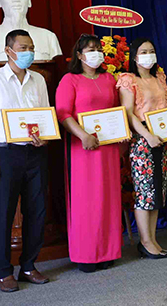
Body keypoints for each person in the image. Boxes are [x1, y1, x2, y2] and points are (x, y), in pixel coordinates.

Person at [0, 30, 51, 292]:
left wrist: (45, 137)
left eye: (31, 47)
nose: (28, 51)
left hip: (35, 153)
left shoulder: (38, 80)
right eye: (22, 47)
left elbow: (44, 115)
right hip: (5, 154)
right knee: (5, 212)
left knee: (37, 211)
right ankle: (4, 271)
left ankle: (28, 266)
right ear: (8, 50)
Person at [55, 34, 124, 272]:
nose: (95, 53)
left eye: (98, 49)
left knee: (108, 198)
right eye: (90, 49)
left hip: (108, 147)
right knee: (86, 201)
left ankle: (108, 251)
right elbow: (63, 114)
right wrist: (83, 135)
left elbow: (116, 111)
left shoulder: (107, 78)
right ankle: (86, 254)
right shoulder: (70, 79)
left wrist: (121, 132)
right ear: (79, 55)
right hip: (82, 149)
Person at [117, 37, 167, 259]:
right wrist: (146, 135)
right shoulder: (128, 80)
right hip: (143, 139)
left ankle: (152, 239)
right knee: (144, 193)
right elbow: (128, 113)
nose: (148, 55)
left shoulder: (158, 78)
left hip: (161, 137)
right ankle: (144, 241)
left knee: (157, 192)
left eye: (151, 51)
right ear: (134, 56)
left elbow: (166, 110)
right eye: (143, 51)